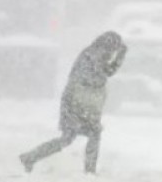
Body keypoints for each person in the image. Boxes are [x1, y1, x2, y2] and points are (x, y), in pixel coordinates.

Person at [20, 31, 127, 174]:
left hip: (81, 103)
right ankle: (89, 170)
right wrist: (119, 57)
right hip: (76, 103)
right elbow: (101, 75)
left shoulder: (94, 54)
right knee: (83, 135)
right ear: (109, 45)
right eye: (114, 48)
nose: (113, 52)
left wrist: (120, 57)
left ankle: (30, 157)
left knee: (72, 137)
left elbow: (106, 72)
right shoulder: (92, 55)